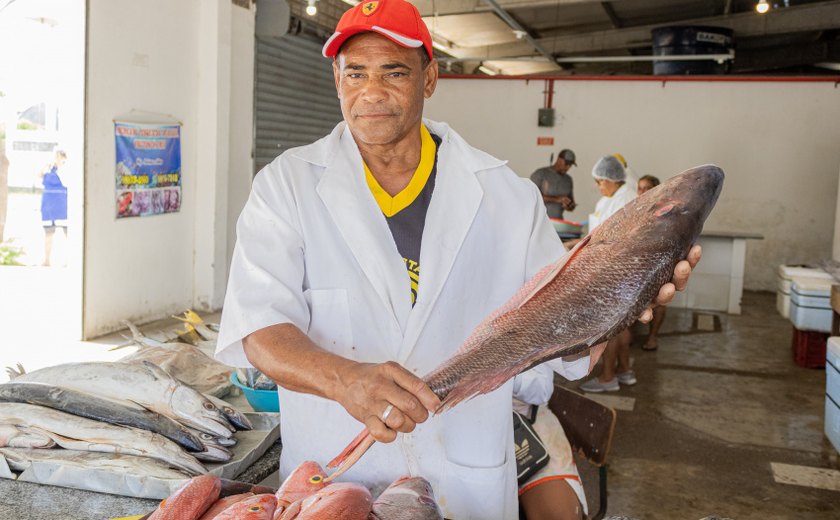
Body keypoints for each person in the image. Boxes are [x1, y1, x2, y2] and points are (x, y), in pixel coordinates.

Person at [214, 1, 699, 518]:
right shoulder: (287, 186)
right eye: (355, 73)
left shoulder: (505, 197)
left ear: (430, 78)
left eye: (393, 71)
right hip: (335, 477)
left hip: (463, 478)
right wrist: (344, 378)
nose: (370, 92)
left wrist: (624, 297)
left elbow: (564, 343)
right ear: (336, 78)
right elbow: (260, 329)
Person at [580, 156, 639, 393]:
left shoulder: (624, 201)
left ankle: (607, 377)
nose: (598, 186)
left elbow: (613, 240)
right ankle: (624, 371)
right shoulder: (614, 197)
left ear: (611, 179)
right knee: (622, 327)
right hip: (616, 271)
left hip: (616, 273)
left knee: (611, 329)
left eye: (600, 181)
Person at [514, 366, 587, 520]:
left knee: (558, 514)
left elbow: (542, 389)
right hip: (462, 428)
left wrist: (502, 375)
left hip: (526, 422)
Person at [637, 175, 665, 351]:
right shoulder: (637, 209)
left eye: (647, 188)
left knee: (660, 301)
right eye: (640, 188)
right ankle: (629, 335)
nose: (642, 192)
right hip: (641, 263)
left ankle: (653, 336)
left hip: (659, 261)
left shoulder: (664, 210)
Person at [530, 149, 577, 220]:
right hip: (540, 221)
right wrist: (557, 199)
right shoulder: (541, 174)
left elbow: (571, 204)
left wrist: (569, 206)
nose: (568, 167)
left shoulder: (568, 180)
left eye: (570, 165)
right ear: (559, 159)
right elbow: (531, 198)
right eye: (566, 163)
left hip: (557, 222)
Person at [39, 149, 67, 266]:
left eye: (59, 157)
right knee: (48, 232)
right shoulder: (48, 168)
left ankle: (70, 260)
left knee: (68, 233)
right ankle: (47, 260)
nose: (57, 159)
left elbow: (66, 182)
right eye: (55, 156)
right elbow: (38, 176)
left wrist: (61, 167)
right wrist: (45, 166)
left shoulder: (66, 169)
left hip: (63, 204)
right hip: (48, 204)